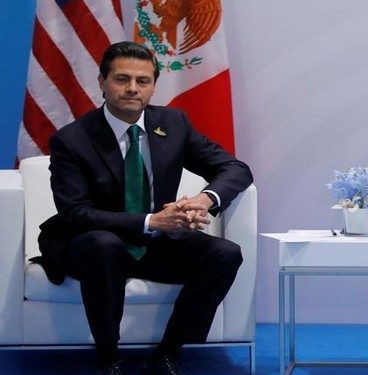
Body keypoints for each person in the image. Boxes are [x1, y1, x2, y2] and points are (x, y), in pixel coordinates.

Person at [35, 41, 253, 375]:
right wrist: (153, 220)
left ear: (153, 86)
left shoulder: (173, 124)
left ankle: (168, 353)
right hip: (92, 244)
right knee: (102, 244)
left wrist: (203, 200)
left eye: (143, 81)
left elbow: (235, 170)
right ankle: (108, 358)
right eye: (122, 79)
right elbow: (76, 213)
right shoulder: (72, 140)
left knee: (225, 253)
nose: (133, 89)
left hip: (155, 245)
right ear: (102, 82)